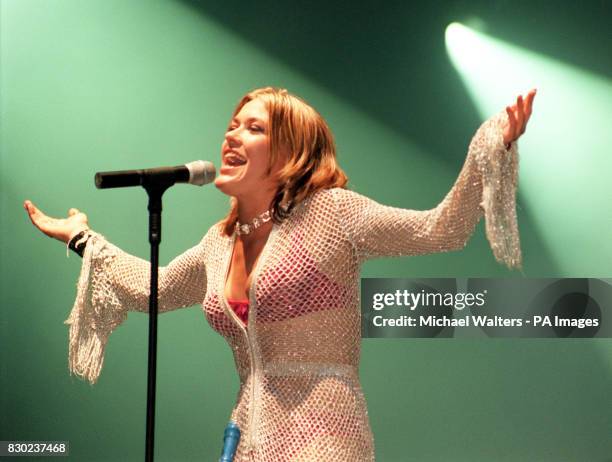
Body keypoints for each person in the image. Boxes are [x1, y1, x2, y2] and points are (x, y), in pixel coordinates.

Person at [24, 86, 536, 461]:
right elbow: (152, 291)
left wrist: (491, 145)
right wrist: (80, 236)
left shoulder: (332, 215)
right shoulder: (218, 243)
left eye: (255, 127)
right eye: (233, 123)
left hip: (325, 438)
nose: (232, 134)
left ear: (290, 153)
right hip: (249, 435)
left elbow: (439, 229)